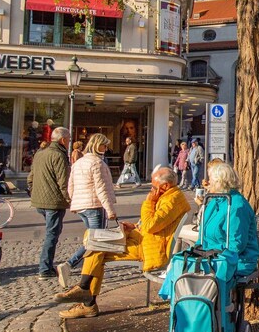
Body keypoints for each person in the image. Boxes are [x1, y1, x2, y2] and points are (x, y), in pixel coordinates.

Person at [54, 166, 191, 318]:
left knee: (96, 249)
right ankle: (86, 296)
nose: (151, 190)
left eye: (154, 187)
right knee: (96, 245)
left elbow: (152, 225)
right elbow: (153, 225)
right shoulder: (168, 196)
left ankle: (87, 297)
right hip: (144, 241)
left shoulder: (172, 199)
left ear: (165, 186)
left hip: (150, 249)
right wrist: (135, 226)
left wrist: (148, 203)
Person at [58, 133, 118, 289]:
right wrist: (110, 209)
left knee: (93, 239)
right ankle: (72, 265)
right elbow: (101, 189)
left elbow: (70, 185)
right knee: (96, 240)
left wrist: (75, 201)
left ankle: (87, 269)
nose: (106, 148)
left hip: (82, 206)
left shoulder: (79, 162)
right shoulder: (97, 163)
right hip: (94, 205)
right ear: (97, 145)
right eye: (104, 145)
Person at [195, 162, 259, 279]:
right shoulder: (214, 200)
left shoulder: (236, 206)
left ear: (220, 182)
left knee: (197, 278)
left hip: (235, 261)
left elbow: (236, 245)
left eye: (211, 180)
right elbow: (201, 237)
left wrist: (210, 253)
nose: (208, 183)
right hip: (212, 256)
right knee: (180, 264)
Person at [28, 127, 72, 279]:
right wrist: (70, 200)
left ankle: (46, 265)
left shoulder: (40, 154)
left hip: (39, 201)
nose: (69, 142)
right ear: (63, 140)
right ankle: (45, 268)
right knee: (52, 234)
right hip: (53, 202)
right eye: (69, 139)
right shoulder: (59, 155)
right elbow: (63, 182)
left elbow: (30, 177)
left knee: (51, 233)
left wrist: (32, 192)